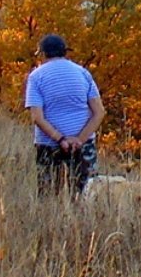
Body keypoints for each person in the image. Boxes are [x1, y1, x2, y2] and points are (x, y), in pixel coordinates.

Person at [25, 34, 106, 197]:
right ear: (65, 52)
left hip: (48, 145)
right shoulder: (83, 73)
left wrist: (60, 139)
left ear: (43, 54)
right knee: (85, 197)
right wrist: (79, 140)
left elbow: (37, 117)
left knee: (47, 197)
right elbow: (99, 112)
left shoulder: (36, 77)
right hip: (83, 146)